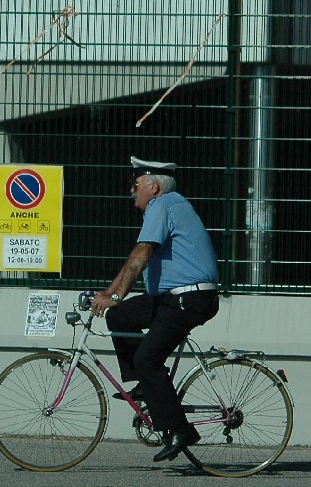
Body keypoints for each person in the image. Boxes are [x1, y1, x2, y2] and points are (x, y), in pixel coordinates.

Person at [91, 156, 220, 463]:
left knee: (147, 358)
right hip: (171, 298)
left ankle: (180, 430)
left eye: (136, 185)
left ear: (153, 186)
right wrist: (110, 296)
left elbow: (142, 252)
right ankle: (145, 385)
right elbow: (137, 259)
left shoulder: (161, 206)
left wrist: (117, 295)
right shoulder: (170, 205)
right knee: (120, 316)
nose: (131, 192)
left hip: (188, 299)